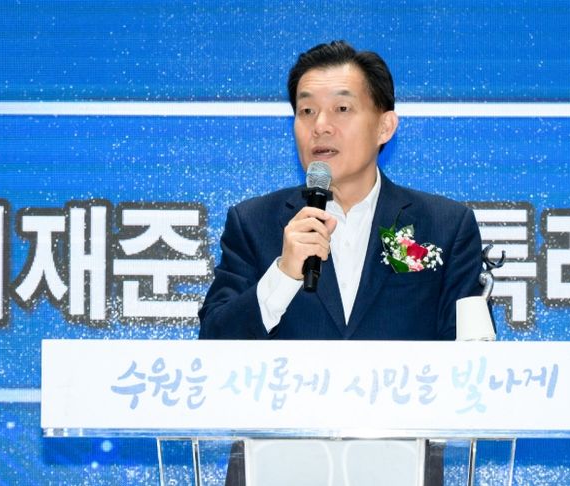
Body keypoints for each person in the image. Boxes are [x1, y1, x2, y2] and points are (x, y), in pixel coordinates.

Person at [199, 40, 485, 486]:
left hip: (399, 468)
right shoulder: (254, 223)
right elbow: (213, 347)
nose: (321, 126)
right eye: (306, 111)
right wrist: (283, 274)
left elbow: (471, 363)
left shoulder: (444, 225)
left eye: (342, 109)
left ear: (385, 125)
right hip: (275, 468)